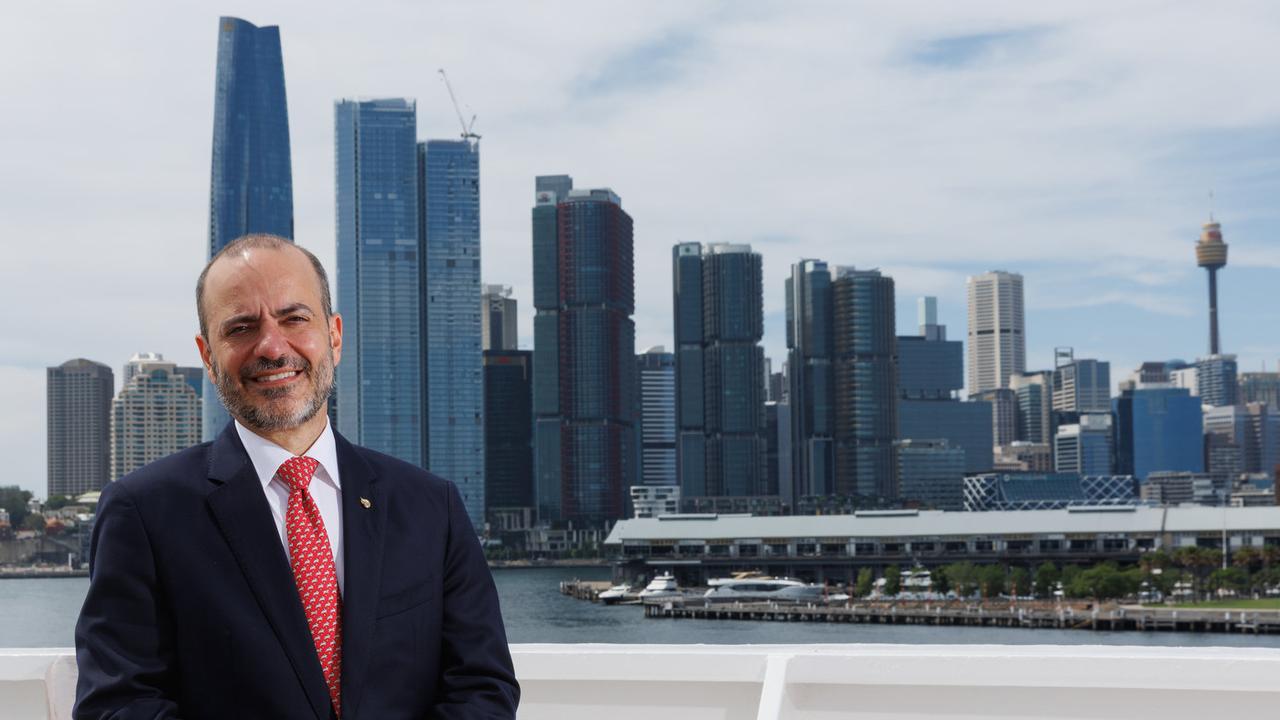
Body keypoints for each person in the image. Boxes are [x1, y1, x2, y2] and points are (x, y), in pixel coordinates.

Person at [74, 234, 519, 719]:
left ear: (334, 335)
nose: (271, 346)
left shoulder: (432, 507)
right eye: (241, 328)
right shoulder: (143, 512)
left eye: (294, 318)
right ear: (206, 355)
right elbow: (118, 706)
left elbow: (482, 688)